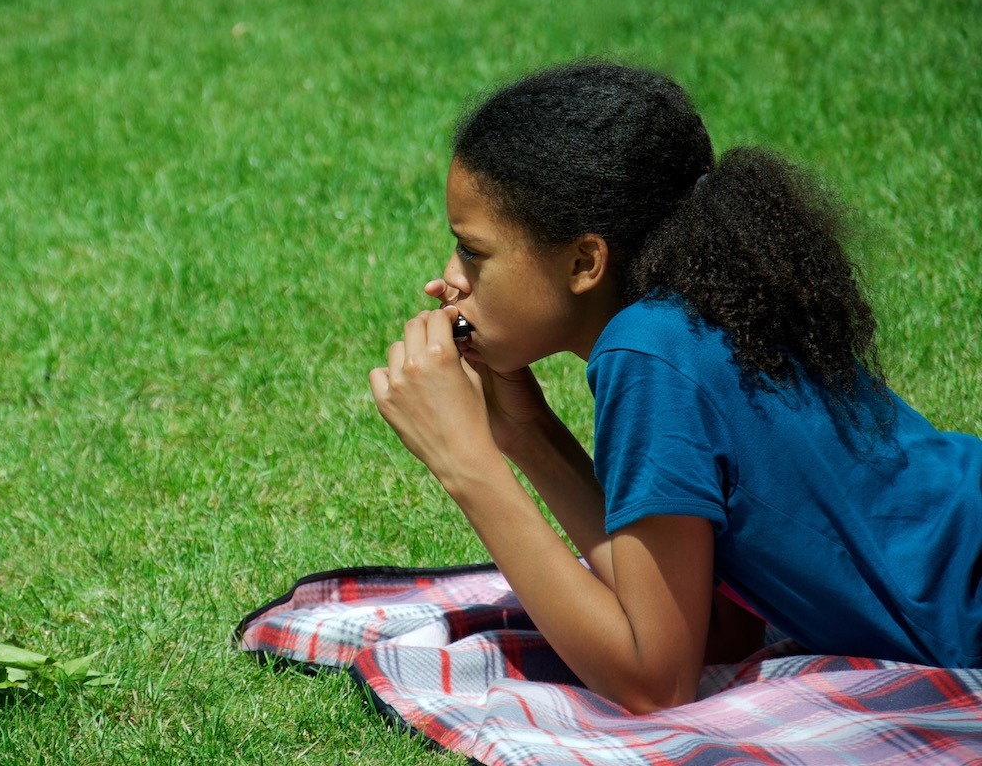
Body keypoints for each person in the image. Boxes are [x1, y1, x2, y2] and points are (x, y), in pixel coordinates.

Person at [367, 61, 982, 714]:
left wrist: (466, 463)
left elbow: (654, 684)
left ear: (584, 262)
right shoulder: (690, 315)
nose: (449, 278)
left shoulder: (649, 353)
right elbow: (721, 629)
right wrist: (526, 432)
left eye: (473, 252)